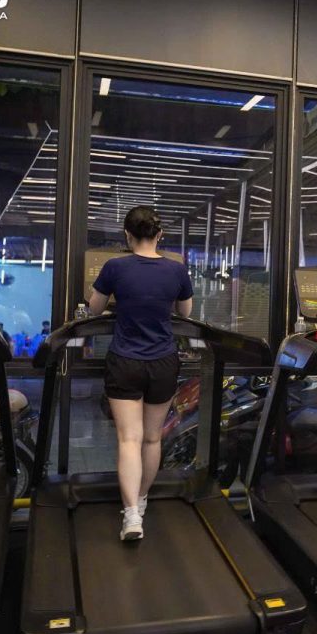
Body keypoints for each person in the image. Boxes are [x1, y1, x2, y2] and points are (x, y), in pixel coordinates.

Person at [88, 206, 193, 541]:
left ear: (127, 235)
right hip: (163, 362)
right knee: (152, 437)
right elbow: (185, 312)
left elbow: (94, 308)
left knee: (128, 439)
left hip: (125, 361)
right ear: (159, 235)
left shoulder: (114, 267)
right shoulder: (176, 270)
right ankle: (143, 499)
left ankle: (131, 515)